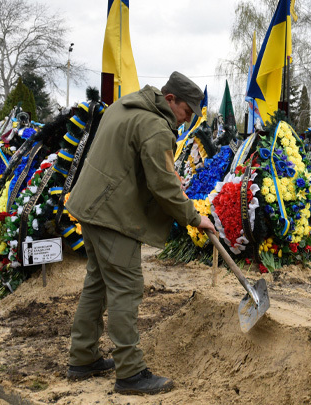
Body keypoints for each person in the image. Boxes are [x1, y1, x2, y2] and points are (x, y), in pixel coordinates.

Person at [65, 72, 216, 395]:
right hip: (112, 216)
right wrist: (195, 217)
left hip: (90, 207)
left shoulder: (125, 105)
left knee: (97, 283)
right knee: (126, 287)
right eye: (187, 112)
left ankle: (83, 357)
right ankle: (131, 373)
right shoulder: (155, 127)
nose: (187, 120)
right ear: (170, 99)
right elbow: (162, 186)